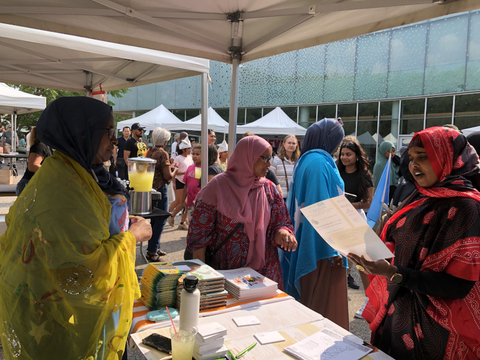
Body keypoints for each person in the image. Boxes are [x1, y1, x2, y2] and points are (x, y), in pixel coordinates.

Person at [0, 97, 152, 359]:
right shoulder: (68, 191)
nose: (115, 140)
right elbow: (83, 269)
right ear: (82, 133)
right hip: (62, 323)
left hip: (48, 312)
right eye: (108, 132)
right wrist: (132, 237)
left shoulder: (64, 174)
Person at [349, 126, 480, 359]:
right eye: (412, 158)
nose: (413, 165)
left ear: (449, 159)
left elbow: (459, 286)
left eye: (424, 157)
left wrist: (393, 272)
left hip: (438, 332)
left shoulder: (467, 208)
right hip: (399, 316)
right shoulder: (420, 197)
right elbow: (401, 245)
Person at [186, 136, 297, 288]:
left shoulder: (269, 189)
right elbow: (199, 236)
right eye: (264, 158)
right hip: (226, 275)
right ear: (247, 157)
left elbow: (280, 223)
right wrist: (204, 280)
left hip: (265, 275)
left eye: (270, 158)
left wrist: (284, 234)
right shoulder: (217, 188)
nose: (269, 163)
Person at [281, 118, 349, 330]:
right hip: (322, 249)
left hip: (315, 242)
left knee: (311, 309)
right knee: (322, 313)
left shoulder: (308, 160)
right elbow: (320, 208)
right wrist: (332, 250)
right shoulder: (319, 162)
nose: (338, 146)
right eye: (337, 141)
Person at [335, 136, 373, 291]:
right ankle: (339, 294)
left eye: (348, 154)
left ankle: (370, 300)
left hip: (356, 218)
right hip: (337, 218)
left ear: (357, 156)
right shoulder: (336, 172)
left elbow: (369, 203)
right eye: (342, 154)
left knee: (361, 261)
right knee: (339, 259)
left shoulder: (365, 175)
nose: (344, 157)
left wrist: (351, 205)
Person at [145, 127, 178, 262]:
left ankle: (154, 247)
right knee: (161, 219)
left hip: (150, 188)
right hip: (160, 188)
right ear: (165, 141)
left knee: (154, 219)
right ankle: (152, 251)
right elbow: (167, 175)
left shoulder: (149, 152)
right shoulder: (163, 153)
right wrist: (174, 169)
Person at [15, 126, 52, 196]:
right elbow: (32, 166)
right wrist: (51, 171)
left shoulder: (44, 146)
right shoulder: (40, 146)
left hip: (31, 183)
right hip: (30, 184)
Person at [167, 137, 193, 230]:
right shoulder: (178, 158)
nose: (190, 150)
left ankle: (181, 222)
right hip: (180, 181)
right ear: (183, 149)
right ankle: (170, 216)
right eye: (188, 149)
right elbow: (175, 171)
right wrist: (185, 172)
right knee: (182, 203)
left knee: (184, 203)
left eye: (190, 148)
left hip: (188, 182)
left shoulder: (190, 158)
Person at [270, 134, 300, 201]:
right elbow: (270, 178)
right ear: (284, 144)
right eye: (289, 143)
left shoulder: (299, 161)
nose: (291, 145)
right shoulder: (276, 160)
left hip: (294, 198)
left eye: (293, 143)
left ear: (296, 145)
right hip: (280, 197)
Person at [182, 144, 202, 223]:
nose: (195, 156)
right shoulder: (190, 168)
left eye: (197, 154)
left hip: (200, 202)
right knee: (191, 223)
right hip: (190, 202)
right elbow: (186, 185)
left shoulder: (205, 168)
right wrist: (183, 200)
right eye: (193, 154)